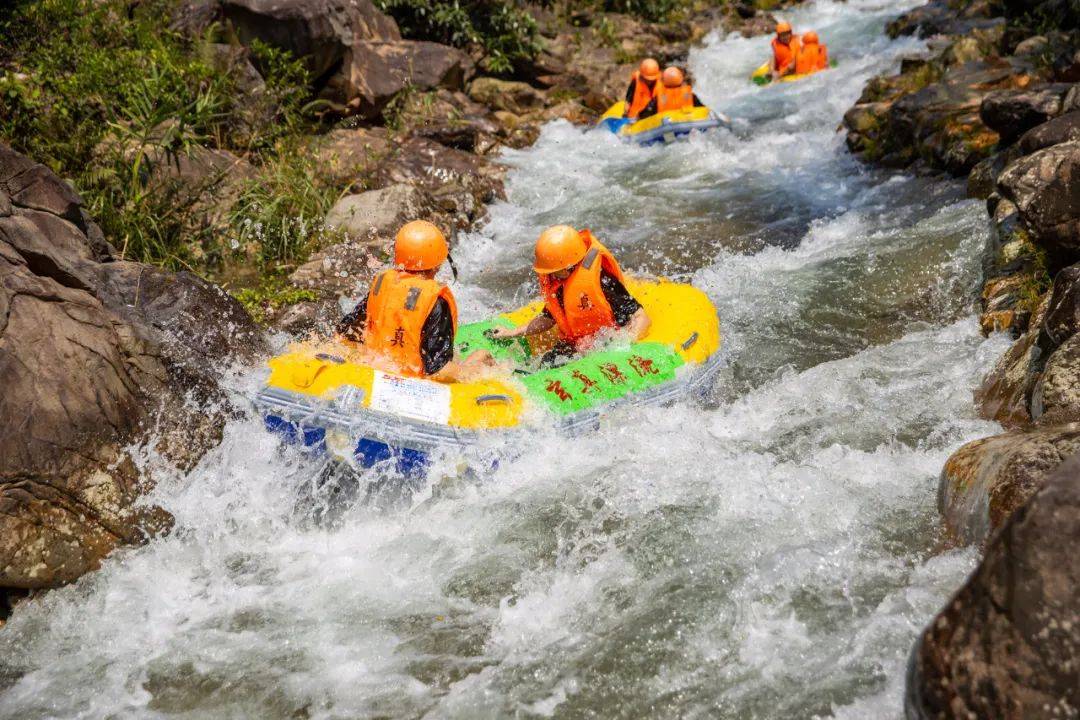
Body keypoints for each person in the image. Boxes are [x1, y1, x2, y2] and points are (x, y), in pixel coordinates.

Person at [336, 220, 492, 378]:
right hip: (414, 382)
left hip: (375, 371)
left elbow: (345, 335)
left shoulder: (383, 285)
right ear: (438, 264)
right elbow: (438, 370)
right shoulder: (435, 300)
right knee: (482, 354)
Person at [488, 226, 650, 360]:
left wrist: (625, 342)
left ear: (569, 265)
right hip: (577, 343)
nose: (549, 276)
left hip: (605, 341)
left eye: (554, 271)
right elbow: (548, 317)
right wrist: (512, 332)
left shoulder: (603, 281)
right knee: (548, 361)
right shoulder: (559, 284)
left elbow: (640, 316)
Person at [635, 66, 705, 120]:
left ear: (664, 81)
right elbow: (702, 109)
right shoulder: (690, 94)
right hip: (687, 122)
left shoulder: (658, 97)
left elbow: (646, 113)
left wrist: (638, 117)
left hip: (666, 126)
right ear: (681, 79)